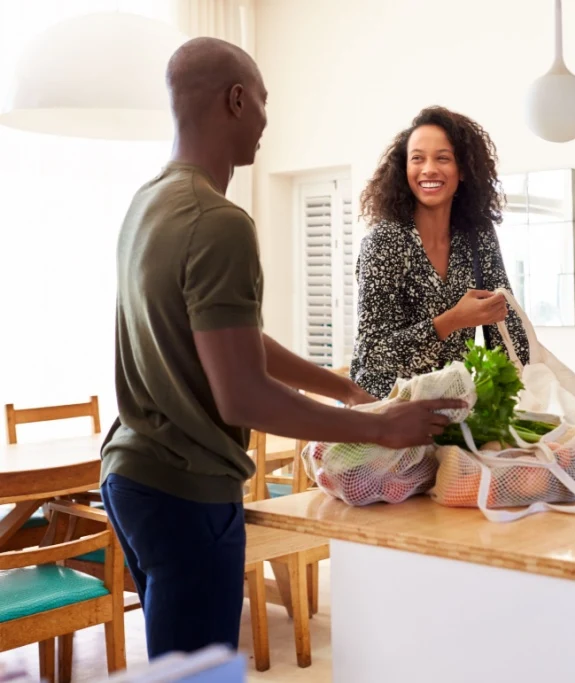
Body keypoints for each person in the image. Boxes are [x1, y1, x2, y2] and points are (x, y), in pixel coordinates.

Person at [99, 38, 462, 659]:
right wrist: (380, 428)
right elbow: (241, 396)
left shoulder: (149, 203)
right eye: (264, 102)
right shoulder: (220, 223)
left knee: (176, 668)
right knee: (196, 676)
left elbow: (230, 340)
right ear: (237, 100)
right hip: (187, 488)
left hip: (131, 476)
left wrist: (340, 384)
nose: (267, 120)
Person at [351, 106, 530, 399]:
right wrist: (453, 320)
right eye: (417, 158)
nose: (429, 169)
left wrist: (526, 386)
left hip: (450, 407)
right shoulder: (384, 242)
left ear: (463, 171)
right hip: (385, 411)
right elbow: (374, 355)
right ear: (404, 169)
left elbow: (506, 321)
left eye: (443, 158)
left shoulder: (478, 234)